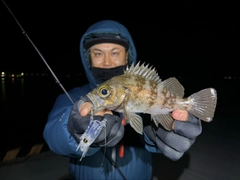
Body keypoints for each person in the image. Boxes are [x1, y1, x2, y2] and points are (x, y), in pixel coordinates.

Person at [43, 20, 202, 180]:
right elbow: (53, 135)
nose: (106, 61)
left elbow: (143, 125)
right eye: (98, 53)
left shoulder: (135, 96)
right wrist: (74, 130)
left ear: (127, 56)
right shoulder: (72, 97)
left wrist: (157, 133)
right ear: (88, 58)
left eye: (114, 53)